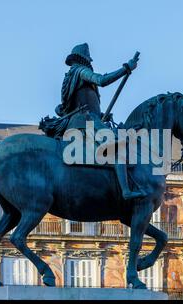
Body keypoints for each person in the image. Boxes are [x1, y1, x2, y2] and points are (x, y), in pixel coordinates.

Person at [56, 43, 146, 200]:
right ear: (84, 59)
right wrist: (126, 68)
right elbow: (102, 80)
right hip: (86, 121)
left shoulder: (72, 76)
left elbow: (80, 103)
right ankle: (126, 190)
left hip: (85, 119)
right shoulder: (81, 71)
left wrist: (102, 114)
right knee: (117, 149)